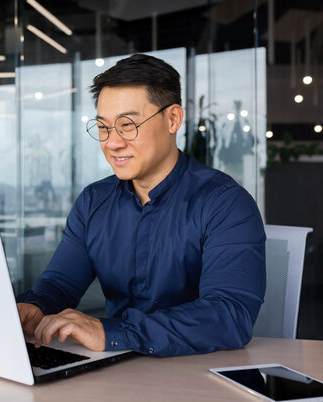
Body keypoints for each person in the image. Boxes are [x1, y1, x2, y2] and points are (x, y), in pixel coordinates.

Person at [17, 54, 266, 357]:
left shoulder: (225, 203)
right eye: (104, 127)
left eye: (127, 125)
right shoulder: (94, 202)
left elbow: (229, 315)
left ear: (173, 119)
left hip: (197, 374)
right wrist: (35, 307)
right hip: (115, 370)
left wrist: (113, 332)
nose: (112, 142)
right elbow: (60, 283)